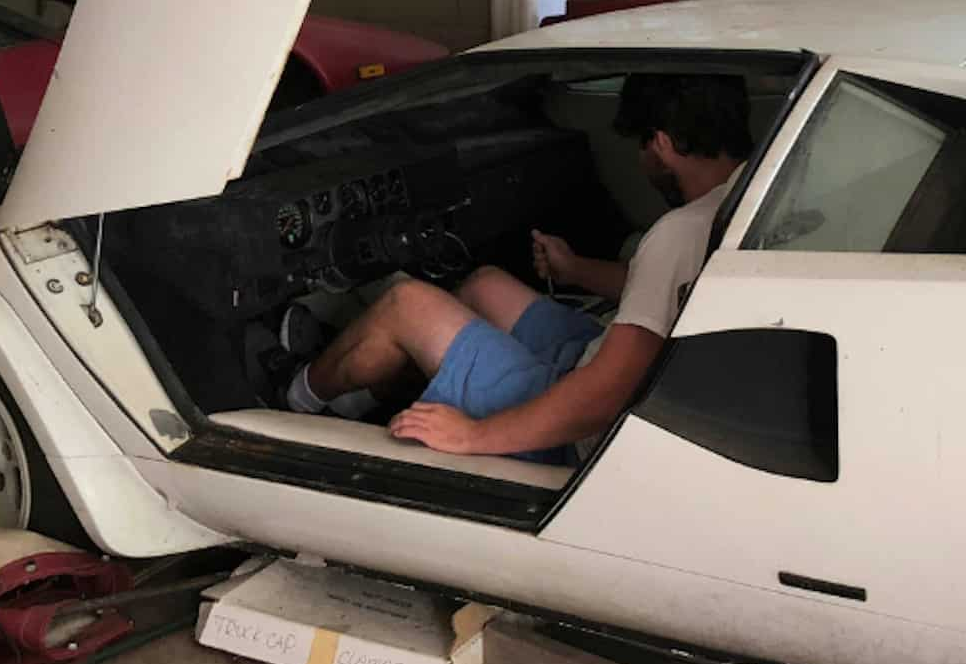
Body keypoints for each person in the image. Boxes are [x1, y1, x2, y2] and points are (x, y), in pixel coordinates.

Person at [281, 73, 753, 462]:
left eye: (642, 148)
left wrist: (473, 435)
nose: (642, 160)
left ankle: (294, 397)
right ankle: (364, 394)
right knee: (483, 285)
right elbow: (669, 295)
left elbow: (604, 396)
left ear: (664, 144)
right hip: (602, 359)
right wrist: (575, 270)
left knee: (407, 304)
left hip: (581, 432)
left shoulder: (678, 232)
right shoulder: (754, 193)